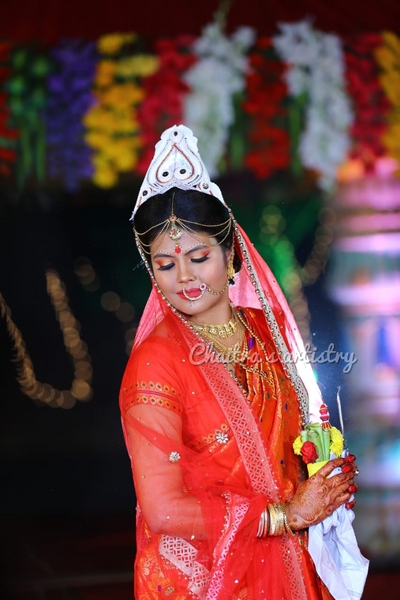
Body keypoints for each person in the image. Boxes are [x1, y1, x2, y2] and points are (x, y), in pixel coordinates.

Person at [119, 125, 359, 600]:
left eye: (199, 256)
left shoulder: (264, 328)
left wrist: (321, 470)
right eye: (165, 264)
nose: (184, 276)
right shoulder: (156, 362)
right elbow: (163, 508)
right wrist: (287, 515)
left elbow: (294, 434)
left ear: (231, 255)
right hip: (212, 577)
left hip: (294, 558)